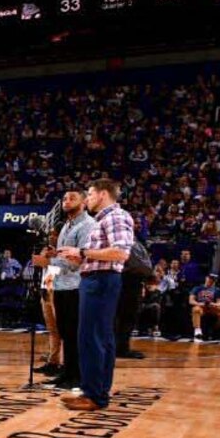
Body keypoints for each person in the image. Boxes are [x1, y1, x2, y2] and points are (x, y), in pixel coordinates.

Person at [58, 177, 132, 413]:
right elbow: (99, 253)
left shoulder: (116, 217)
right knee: (100, 338)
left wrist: (81, 251)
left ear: (102, 194)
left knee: (92, 338)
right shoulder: (104, 219)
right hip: (96, 279)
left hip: (101, 281)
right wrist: (79, 256)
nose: (88, 199)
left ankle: (94, 395)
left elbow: (121, 253)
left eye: (89, 194)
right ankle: (97, 392)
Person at [45, 189, 93, 392]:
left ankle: (78, 376)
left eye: (72, 198)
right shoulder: (66, 225)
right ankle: (67, 372)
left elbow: (80, 259)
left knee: (74, 333)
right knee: (65, 332)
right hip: (61, 285)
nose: (66, 201)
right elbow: (63, 256)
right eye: (64, 198)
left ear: (83, 202)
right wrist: (52, 258)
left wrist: (56, 257)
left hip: (76, 285)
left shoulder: (88, 225)